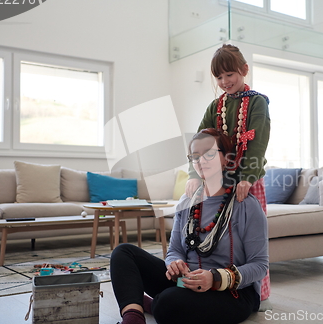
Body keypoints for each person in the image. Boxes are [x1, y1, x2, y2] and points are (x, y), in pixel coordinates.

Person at [110, 128, 269, 324]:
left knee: (167, 304)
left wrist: (215, 278)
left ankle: (152, 303)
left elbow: (260, 266)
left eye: (209, 154)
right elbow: (175, 250)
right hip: (185, 282)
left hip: (233, 291)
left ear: (227, 159)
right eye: (195, 156)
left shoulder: (246, 204)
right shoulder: (187, 202)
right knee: (123, 253)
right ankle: (133, 318)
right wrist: (174, 264)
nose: (201, 161)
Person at [185, 43, 271, 301]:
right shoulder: (215, 107)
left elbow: (257, 144)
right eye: (219, 77)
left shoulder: (257, 103)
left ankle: (257, 294)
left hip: (248, 181)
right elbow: (199, 141)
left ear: (244, 70)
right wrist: (192, 174)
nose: (224, 81)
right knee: (219, 235)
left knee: (252, 240)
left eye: (229, 75)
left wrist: (247, 177)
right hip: (218, 181)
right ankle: (213, 281)